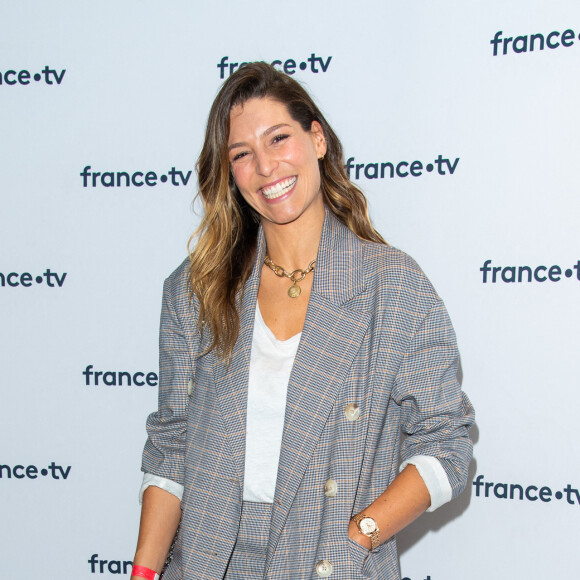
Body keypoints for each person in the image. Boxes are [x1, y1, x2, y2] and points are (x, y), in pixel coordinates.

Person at [131, 62, 475, 580]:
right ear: (229, 173)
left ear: (317, 139)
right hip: (207, 561)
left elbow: (447, 445)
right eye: (242, 155)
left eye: (278, 139)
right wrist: (143, 574)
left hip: (328, 557)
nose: (266, 167)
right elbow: (172, 448)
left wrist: (362, 532)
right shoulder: (196, 289)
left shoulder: (391, 285)